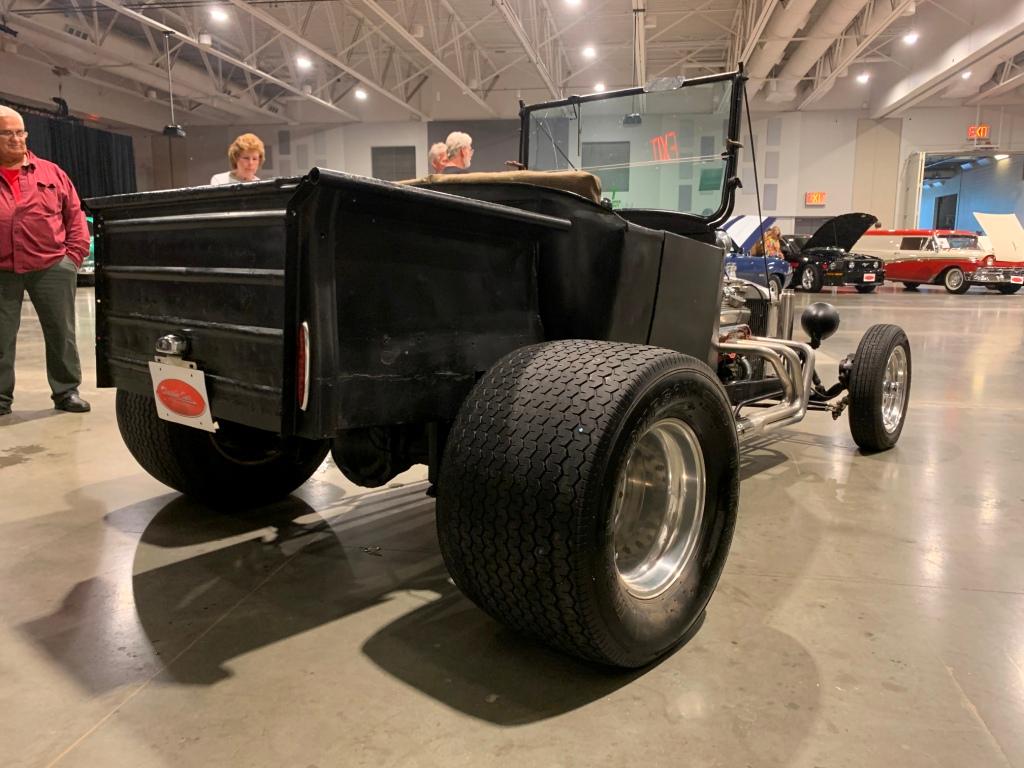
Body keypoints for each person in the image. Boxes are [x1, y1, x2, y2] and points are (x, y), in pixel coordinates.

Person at [0, 105, 91, 415]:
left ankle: (67, 392)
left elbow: (75, 214)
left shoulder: (52, 172)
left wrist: (73, 257)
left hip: (51, 265)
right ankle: (0, 399)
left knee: (61, 333)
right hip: (2, 270)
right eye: (7, 133)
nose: (16, 139)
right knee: (0, 338)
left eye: (20, 132)